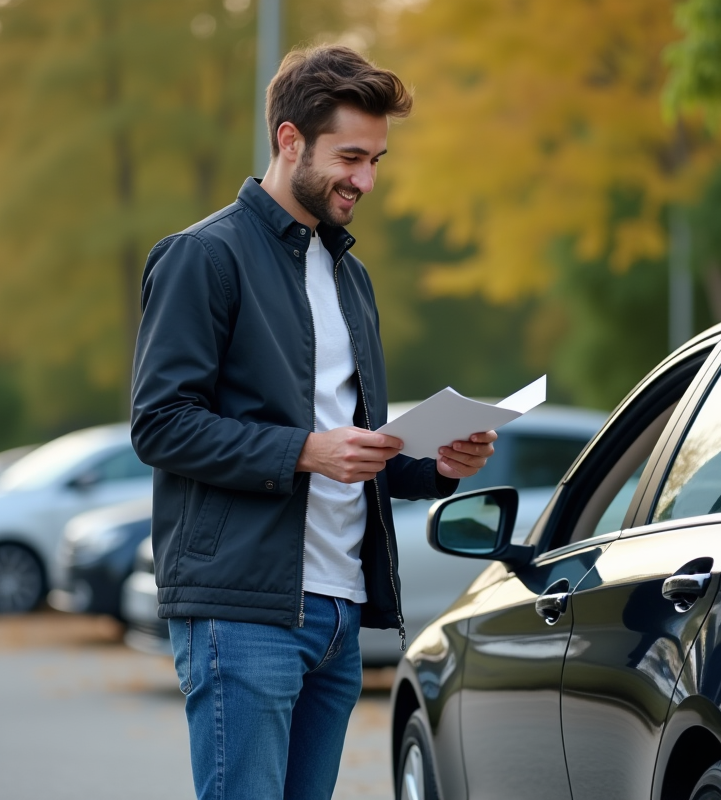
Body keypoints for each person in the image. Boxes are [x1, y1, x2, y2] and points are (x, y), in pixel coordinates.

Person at [130, 45, 497, 800]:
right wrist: (304, 452)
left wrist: (438, 464)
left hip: (339, 612)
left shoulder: (349, 275)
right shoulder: (204, 257)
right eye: (351, 157)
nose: (365, 180)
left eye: (376, 161)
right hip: (244, 610)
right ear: (290, 140)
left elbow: (352, 444)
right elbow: (160, 425)